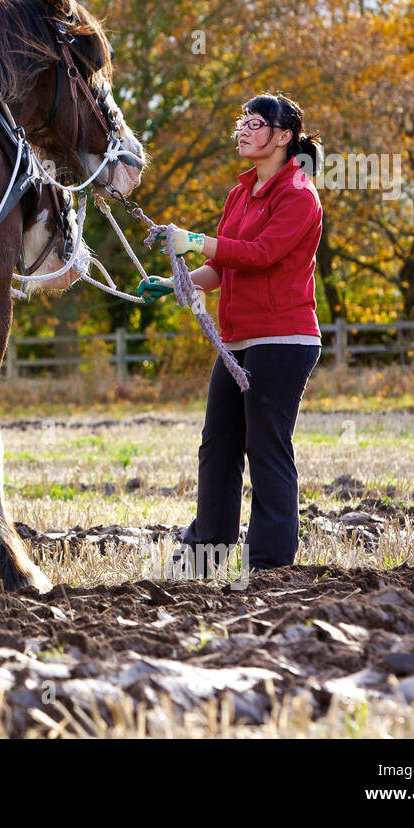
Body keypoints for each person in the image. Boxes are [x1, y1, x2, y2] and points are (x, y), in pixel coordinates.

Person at [139, 92, 323, 575]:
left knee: (266, 449)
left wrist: (196, 239)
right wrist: (174, 281)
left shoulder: (299, 194)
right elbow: (221, 266)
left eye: (256, 123)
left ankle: (268, 565)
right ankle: (204, 556)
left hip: (283, 341)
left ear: (284, 137)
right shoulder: (240, 193)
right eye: (241, 121)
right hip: (237, 341)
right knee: (217, 446)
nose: (243, 129)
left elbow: (261, 253)